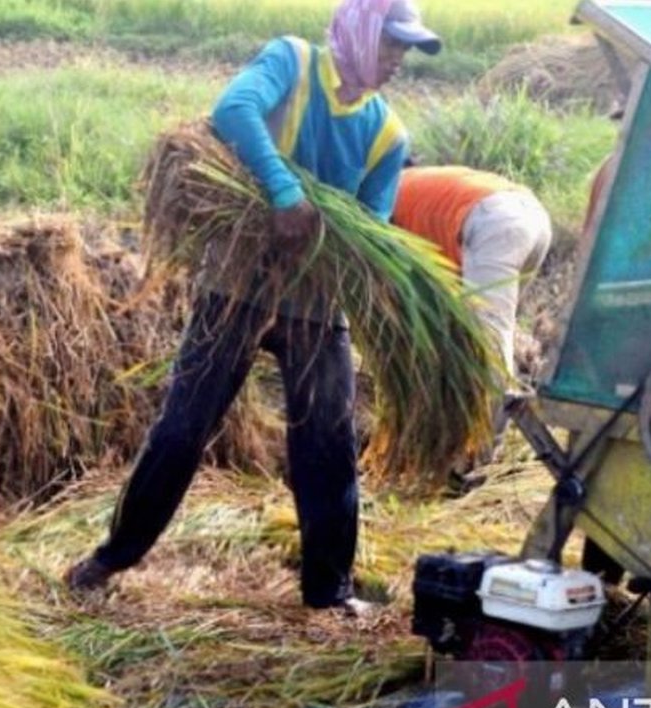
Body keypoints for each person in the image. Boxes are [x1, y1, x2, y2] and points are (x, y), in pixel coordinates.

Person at [65, 0, 441, 615]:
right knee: (184, 427)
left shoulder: (387, 134)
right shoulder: (291, 62)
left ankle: (329, 591)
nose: (400, 60)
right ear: (362, 30)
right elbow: (232, 110)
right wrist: (286, 192)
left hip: (315, 306)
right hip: (236, 287)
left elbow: (370, 228)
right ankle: (114, 556)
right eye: (394, 44)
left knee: (327, 445)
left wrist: (325, 249)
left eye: (408, 50)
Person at [391, 164, 552, 474]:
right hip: (532, 218)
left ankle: (477, 462)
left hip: (495, 223)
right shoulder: (423, 186)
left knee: (486, 346)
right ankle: (465, 441)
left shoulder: (384, 196)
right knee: (487, 336)